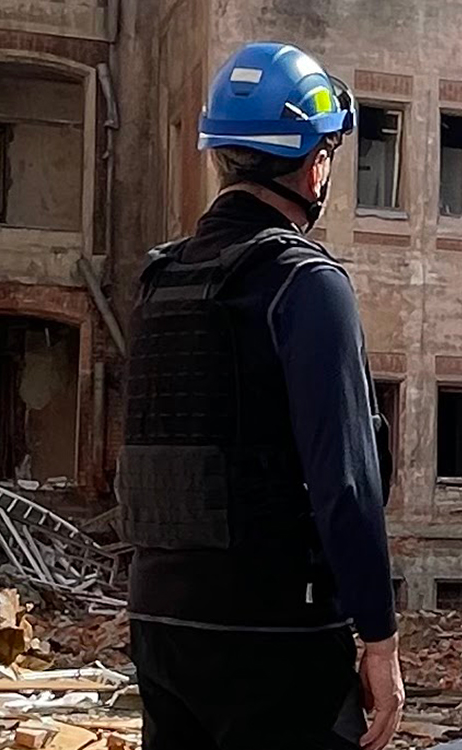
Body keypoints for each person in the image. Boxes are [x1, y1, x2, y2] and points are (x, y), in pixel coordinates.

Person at [116, 41, 402, 750]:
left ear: (222, 156)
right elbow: (345, 483)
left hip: (161, 627)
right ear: (315, 162)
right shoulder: (306, 283)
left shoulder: (160, 283)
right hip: (275, 637)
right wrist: (380, 638)